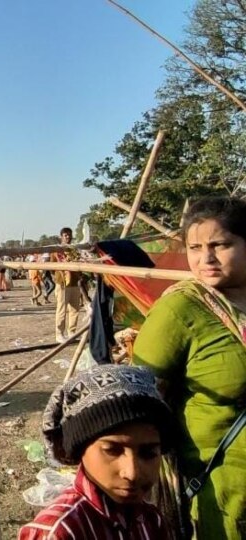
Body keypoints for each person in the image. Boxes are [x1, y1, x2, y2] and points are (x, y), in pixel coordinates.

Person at [133, 197, 246, 539]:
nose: (205, 258)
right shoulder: (181, 310)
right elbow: (139, 398)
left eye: (220, 245)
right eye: (195, 247)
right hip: (222, 488)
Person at [19, 364, 174, 539]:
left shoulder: (151, 521)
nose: (132, 473)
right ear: (79, 450)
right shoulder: (59, 531)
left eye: (148, 453)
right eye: (112, 451)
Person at [51, 227, 81, 342]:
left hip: (74, 282)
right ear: (61, 237)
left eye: (69, 235)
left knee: (75, 309)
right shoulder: (56, 250)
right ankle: (59, 333)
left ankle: (72, 332)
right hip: (62, 283)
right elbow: (51, 266)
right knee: (62, 309)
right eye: (65, 235)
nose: (68, 237)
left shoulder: (74, 250)